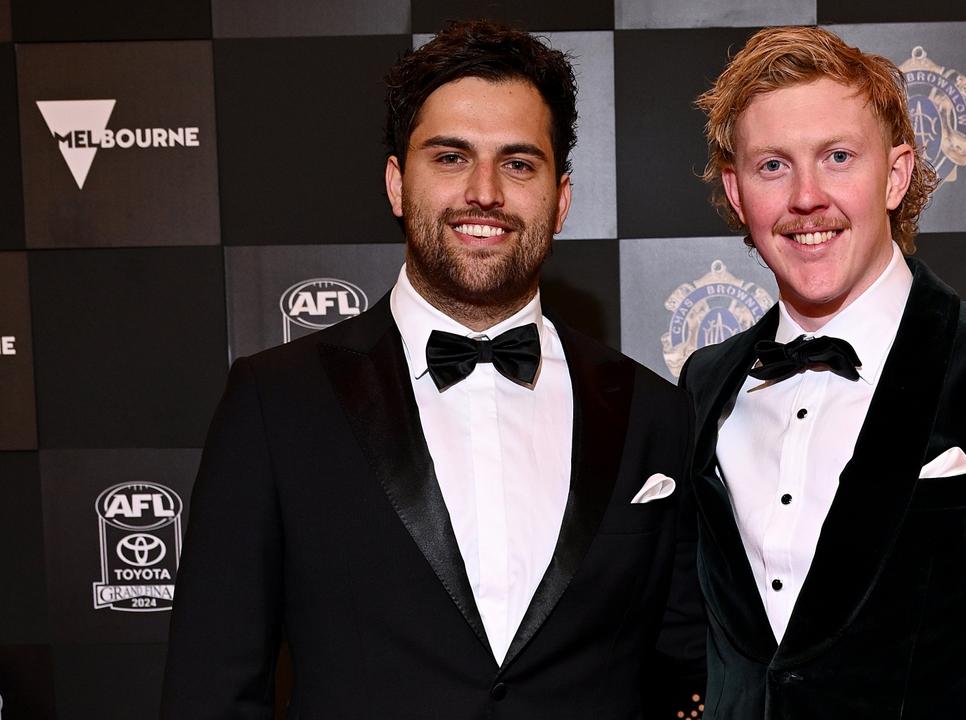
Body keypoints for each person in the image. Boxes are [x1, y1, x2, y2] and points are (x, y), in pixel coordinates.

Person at [162, 20, 703, 719]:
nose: (484, 192)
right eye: (450, 157)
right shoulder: (276, 402)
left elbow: (688, 669)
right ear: (396, 182)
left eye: (518, 163)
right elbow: (212, 689)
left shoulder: (652, 412)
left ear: (562, 198)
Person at [680, 26, 966, 718]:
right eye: (773, 166)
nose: (807, 197)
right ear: (738, 194)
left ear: (894, 176)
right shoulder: (707, 384)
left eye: (837, 157)